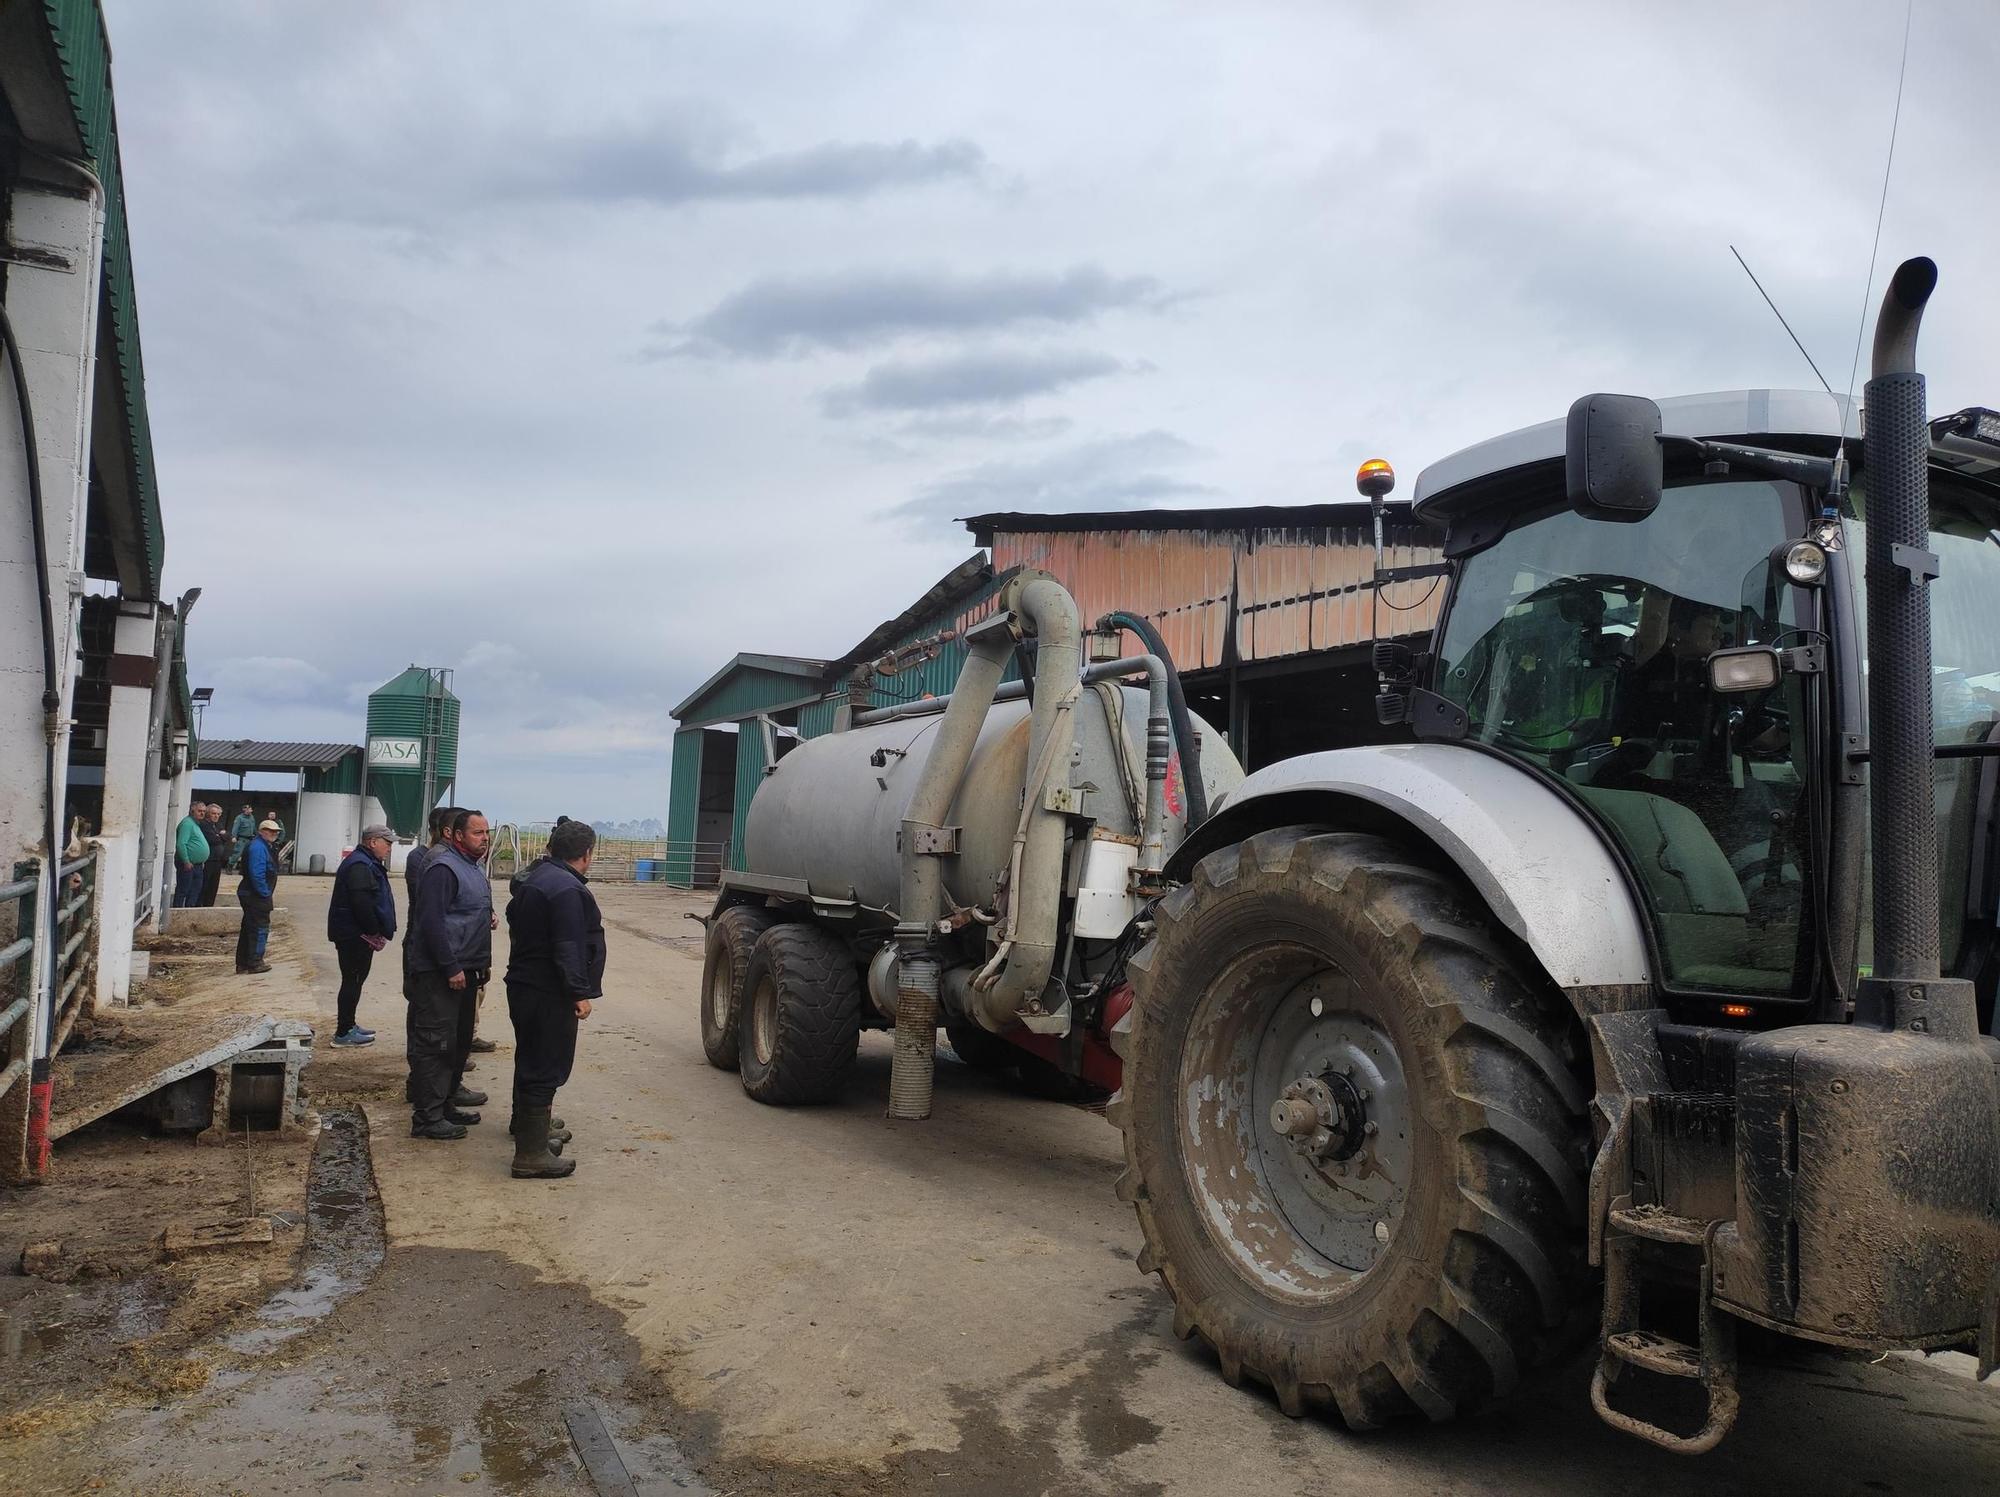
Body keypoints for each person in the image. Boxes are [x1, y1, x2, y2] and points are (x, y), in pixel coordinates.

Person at [504, 818, 603, 1179]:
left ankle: (533, 1132)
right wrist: (579, 992)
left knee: (531, 1058)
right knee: (544, 1065)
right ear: (587, 854)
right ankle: (530, 1154)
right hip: (547, 990)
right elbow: (568, 946)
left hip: (527, 983)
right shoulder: (566, 890)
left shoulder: (537, 878)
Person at [404, 809, 494, 1140]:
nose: (484, 838)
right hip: (442, 974)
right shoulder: (442, 868)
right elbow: (431, 923)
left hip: (467, 969)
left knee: (456, 1045)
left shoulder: (471, 867)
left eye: (486, 832)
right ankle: (427, 1117)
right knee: (437, 1044)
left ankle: (445, 1105)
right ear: (456, 836)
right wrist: (450, 966)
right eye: (477, 833)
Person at [327, 824, 397, 1047]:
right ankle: (344, 1030)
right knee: (352, 980)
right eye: (387, 843)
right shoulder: (360, 864)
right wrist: (373, 931)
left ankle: (349, 1024)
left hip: (354, 933)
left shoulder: (365, 862)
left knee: (355, 980)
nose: (390, 848)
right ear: (373, 842)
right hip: (354, 935)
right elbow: (362, 903)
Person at [235, 818, 282, 973]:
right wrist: (265, 893)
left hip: (251, 892)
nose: (273, 834)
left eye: (275, 831)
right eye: (270, 831)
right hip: (255, 894)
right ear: (261, 831)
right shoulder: (258, 848)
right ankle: (255, 962)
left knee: (249, 927)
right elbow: (257, 874)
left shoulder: (262, 846)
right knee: (259, 927)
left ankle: (243, 963)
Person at [173, 804, 209, 907]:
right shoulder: (187, 824)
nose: (202, 813)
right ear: (192, 811)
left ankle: (189, 911)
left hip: (197, 864)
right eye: (199, 811)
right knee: (183, 889)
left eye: (203, 811)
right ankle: (178, 912)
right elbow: (181, 843)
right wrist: (186, 861)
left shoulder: (195, 824)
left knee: (195, 890)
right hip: (188, 864)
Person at [198, 804, 233, 907]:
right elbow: (213, 840)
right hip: (208, 860)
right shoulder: (204, 825)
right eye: (213, 813)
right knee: (205, 885)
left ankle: (209, 906)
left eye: (218, 814)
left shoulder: (218, 825)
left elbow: (228, 836)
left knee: (214, 887)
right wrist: (221, 835)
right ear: (208, 814)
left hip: (218, 861)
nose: (216, 816)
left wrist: (221, 835)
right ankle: (201, 906)